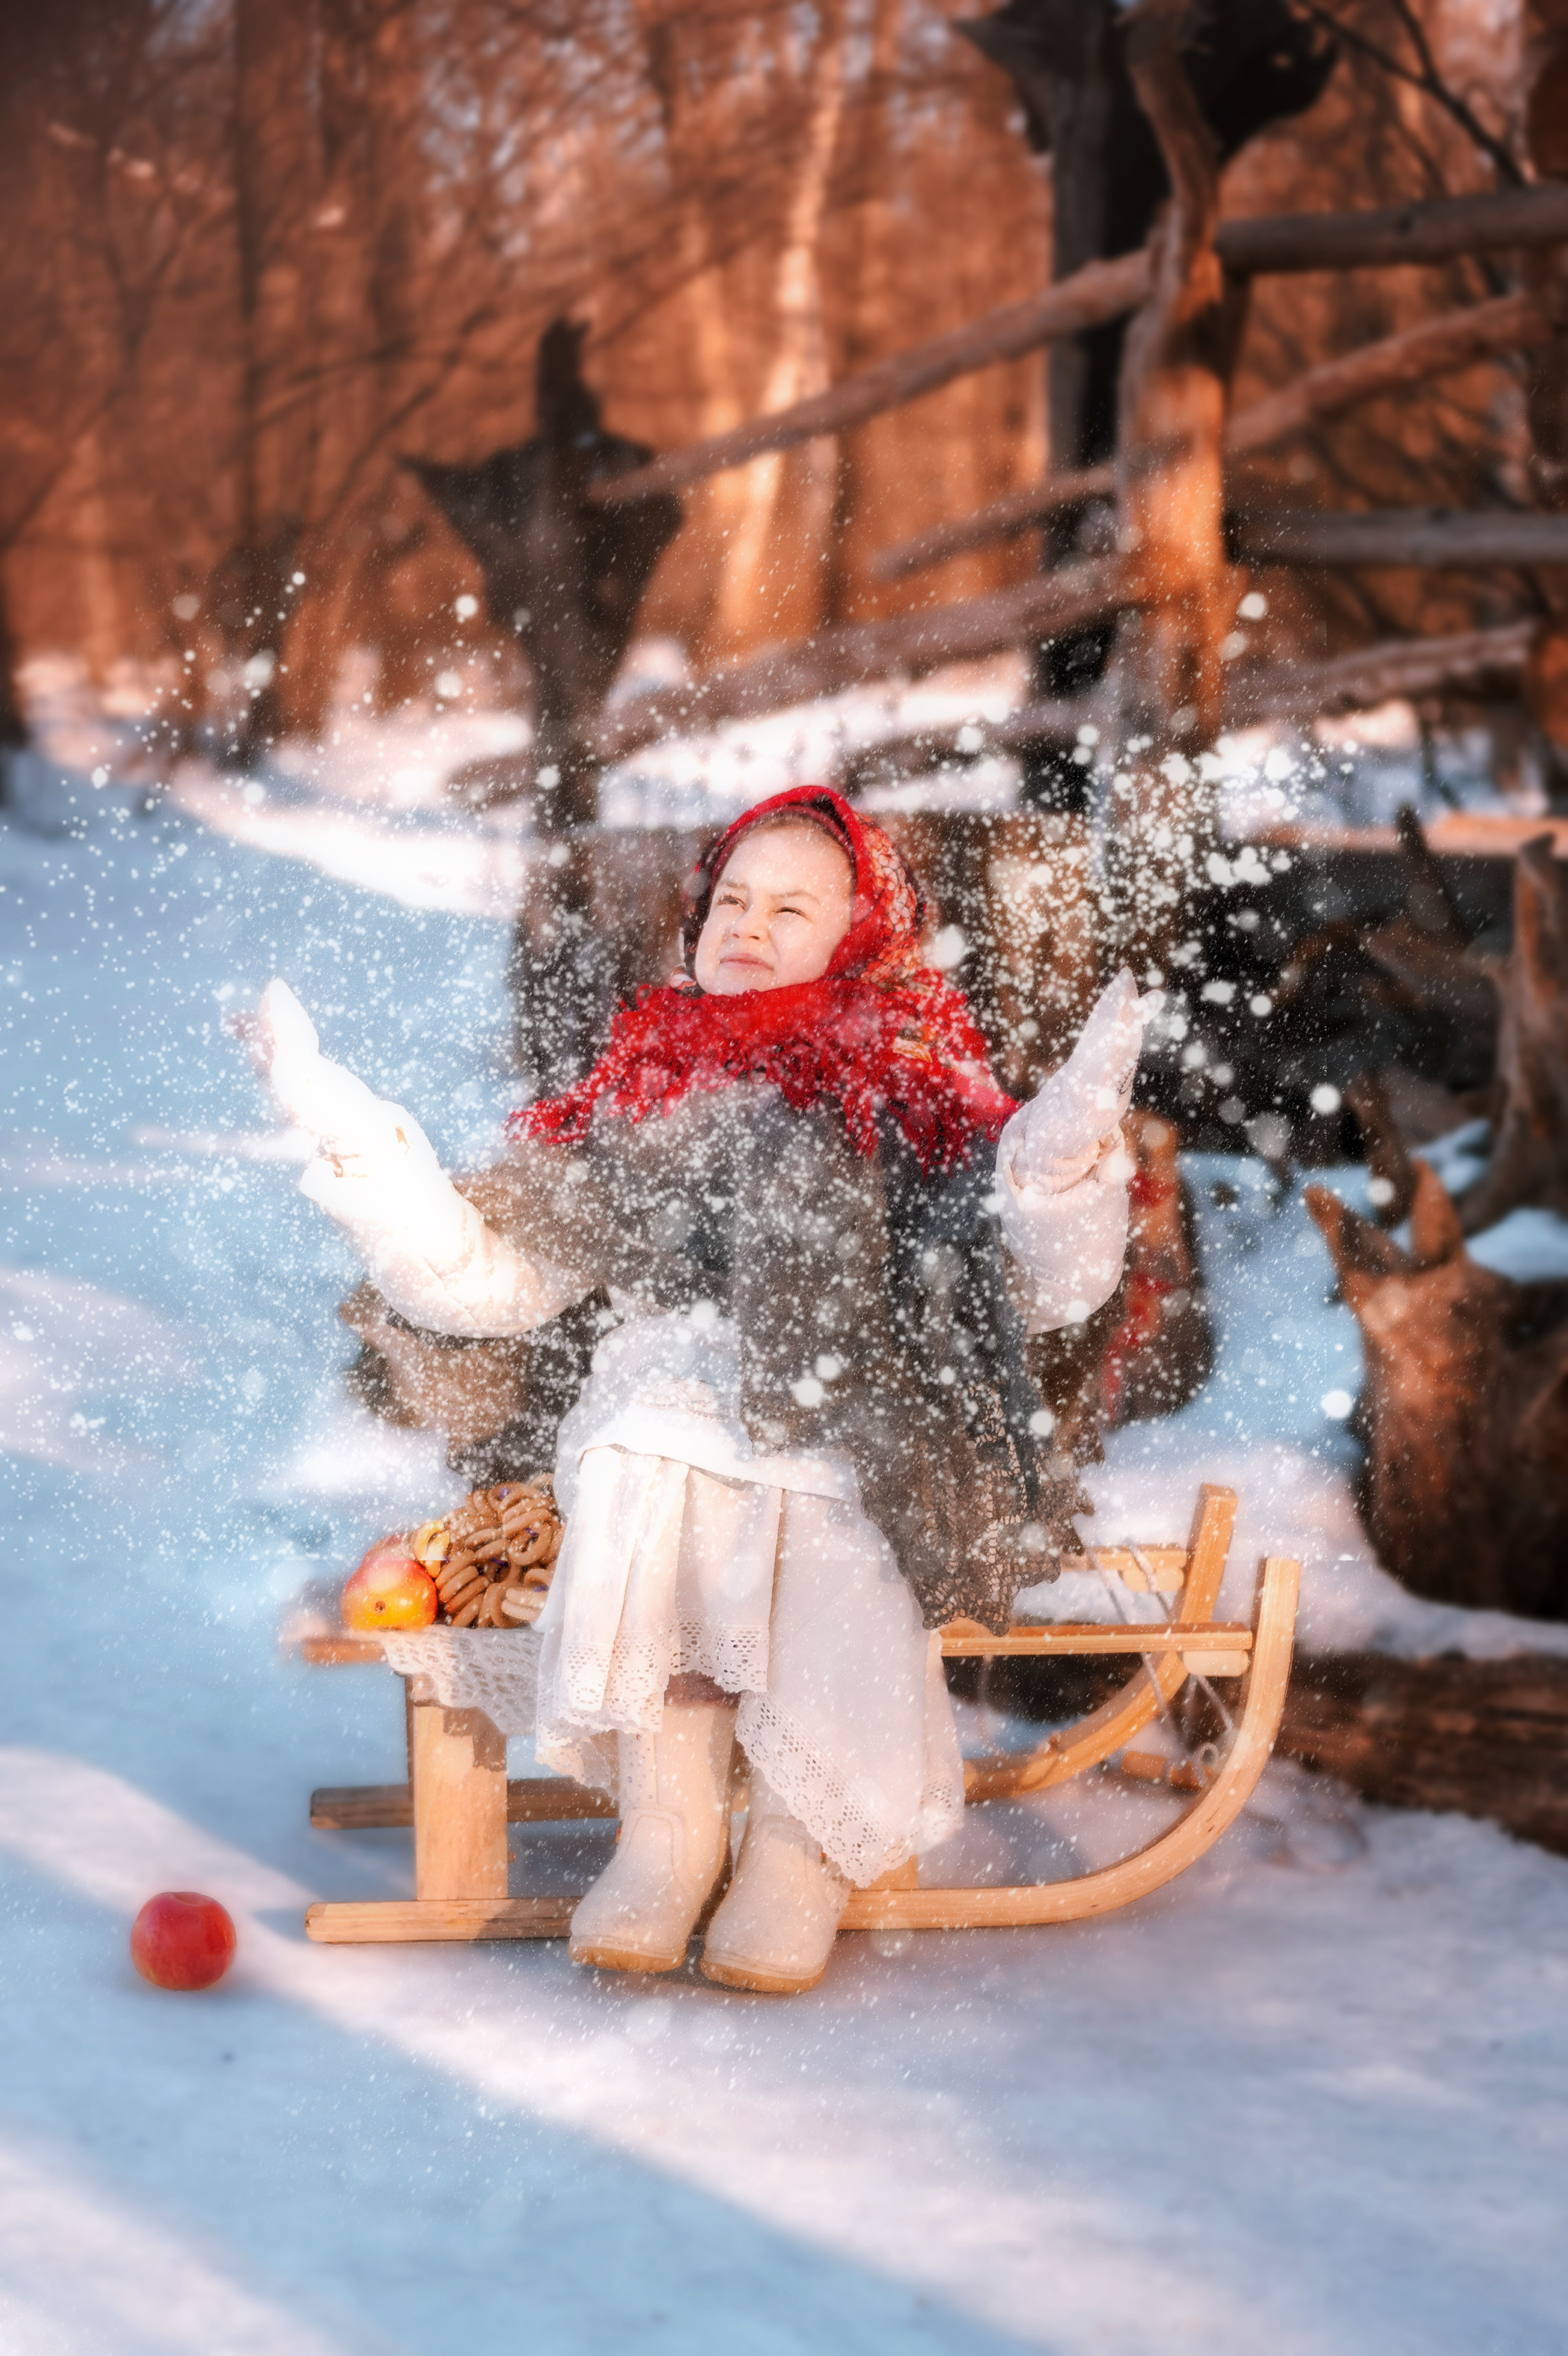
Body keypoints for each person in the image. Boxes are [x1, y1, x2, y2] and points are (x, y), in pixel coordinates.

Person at [251, 787, 1145, 1992]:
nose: (749, 923)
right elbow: (495, 1278)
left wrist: (1058, 1165)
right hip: (662, 1406)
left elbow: (1037, 1293)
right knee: (647, 1461)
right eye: (732, 898)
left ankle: (796, 1843)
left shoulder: (911, 1086)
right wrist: (359, 1144)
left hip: (859, 1405)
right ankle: (667, 1830)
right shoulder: (644, 1091)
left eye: (791, 906)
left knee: (815, 1502)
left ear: (857, 932)